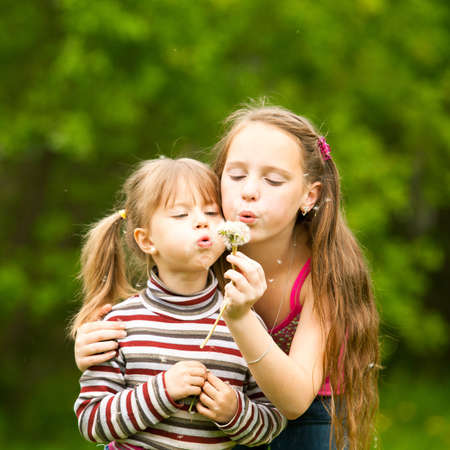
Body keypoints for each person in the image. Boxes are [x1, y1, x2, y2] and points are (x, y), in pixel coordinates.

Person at [74, 104, 380, 450]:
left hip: (307, 419)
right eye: (235, 176)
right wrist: (97, 349)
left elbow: (292, 403)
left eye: (273, 180)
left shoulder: (324, 272)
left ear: (310, 195)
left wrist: (239, 318)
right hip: (223, 421)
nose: (249, 190)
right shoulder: (208, 250)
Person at [71, 157, 286, 449]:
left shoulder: (243, 323)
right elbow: (92, 421)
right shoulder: (119, 326)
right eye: (181, 214)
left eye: (212, 212)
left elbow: (272, 423)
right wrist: (162, 391)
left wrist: (234, 411)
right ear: (146, 241)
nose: (201, 221)